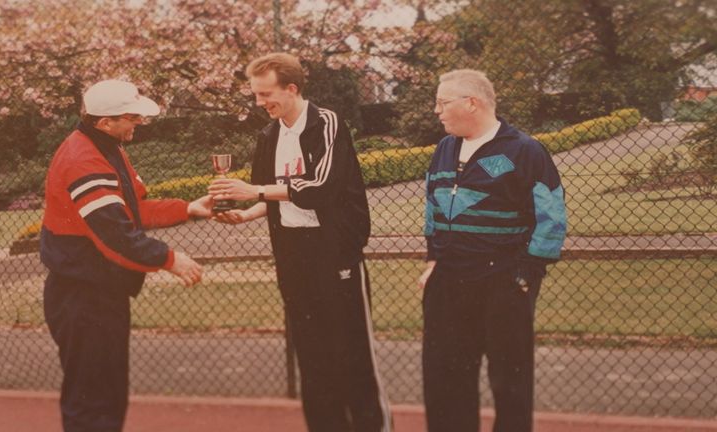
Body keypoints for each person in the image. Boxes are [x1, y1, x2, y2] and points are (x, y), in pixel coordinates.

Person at [208, 53, 391, 432]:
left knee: (350, 353)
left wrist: (254, 191)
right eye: (256, 95)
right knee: (312, 356)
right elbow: (270, 195)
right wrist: (245, 212)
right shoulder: (269, 135)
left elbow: (321, 188)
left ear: (291, 89)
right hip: (293, 254)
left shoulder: (326, 123)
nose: (260, 103)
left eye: (266, 94)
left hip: (333, 253)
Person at [40, 79, 212, 432]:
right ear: (105, 122)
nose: (139, 123)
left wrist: (187, 208)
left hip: (99, 291)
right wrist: (169, 259)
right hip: (82, 295)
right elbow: (115, 237)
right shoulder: (84, 160)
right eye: (132, 117)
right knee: (93, 398)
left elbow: (131, 210)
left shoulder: (106, 146)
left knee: (108, 392)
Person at [420, 69, 567, 432]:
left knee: (510, 381)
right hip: (449, 280)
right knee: (444, 380)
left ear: (472, 103)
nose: (436, 110)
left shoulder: (524, 150)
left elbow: (552, 216)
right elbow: (432, 209)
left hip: (503, 280)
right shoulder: (444, 148)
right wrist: (433, 261)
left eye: (442, 102)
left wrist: (526, 273)